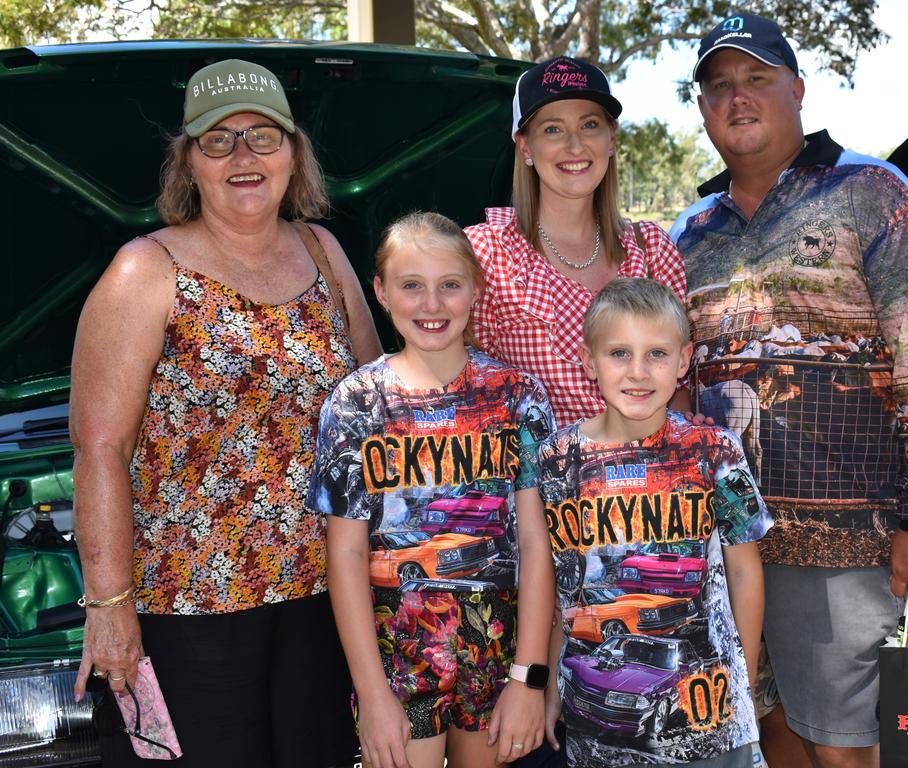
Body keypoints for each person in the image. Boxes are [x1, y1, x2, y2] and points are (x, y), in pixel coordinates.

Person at [671, 13, 908, 768]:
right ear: (702, 109)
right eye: (718, 87)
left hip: (846, 545)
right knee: (771, 738)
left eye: (757, 79)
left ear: (798, 89)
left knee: (847, 750)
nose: (737, 98)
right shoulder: (689, 232)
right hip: (729, 541)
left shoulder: (874, 194)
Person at [69, 58, 382, 767]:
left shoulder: (323, 251)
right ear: (189, 162)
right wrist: (110, 607)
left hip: (321, 602)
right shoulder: (144, 271)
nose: (243, 156)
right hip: (184, 616)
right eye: (219, 140)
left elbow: (375, 407)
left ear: (293, 153)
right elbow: (99, 448)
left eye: (263, 136)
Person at [307, 211, 557, 768]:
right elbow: (345, 551)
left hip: (497, 652)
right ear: (381, 292)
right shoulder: (356, 402)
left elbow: (538, 545)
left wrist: (530, 678)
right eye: (411, 286)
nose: (432, 304)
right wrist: (371, 692)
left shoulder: (517, 397)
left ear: (476, 289)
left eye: (450, 285)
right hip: (398, 657)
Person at [537, 278, 772, 768]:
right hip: (596, 722)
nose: (638, 372)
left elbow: (745, 572)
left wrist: (742, 681)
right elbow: (565, 590)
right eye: (619, 353)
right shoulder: (557, 460)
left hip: (709, 724)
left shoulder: (716, 450)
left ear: (683, 361)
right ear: (588, 361)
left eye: (657, 354)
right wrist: (551, 683)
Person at [466, 55, 690, 429]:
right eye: (553, 129)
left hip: (644, 482)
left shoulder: (652, 250)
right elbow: (464, 393)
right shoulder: (486, 254)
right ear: (524, 147)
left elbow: (679, 389)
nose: (575, 145)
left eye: (589, 125)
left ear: (612, 138)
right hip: (537, 485)